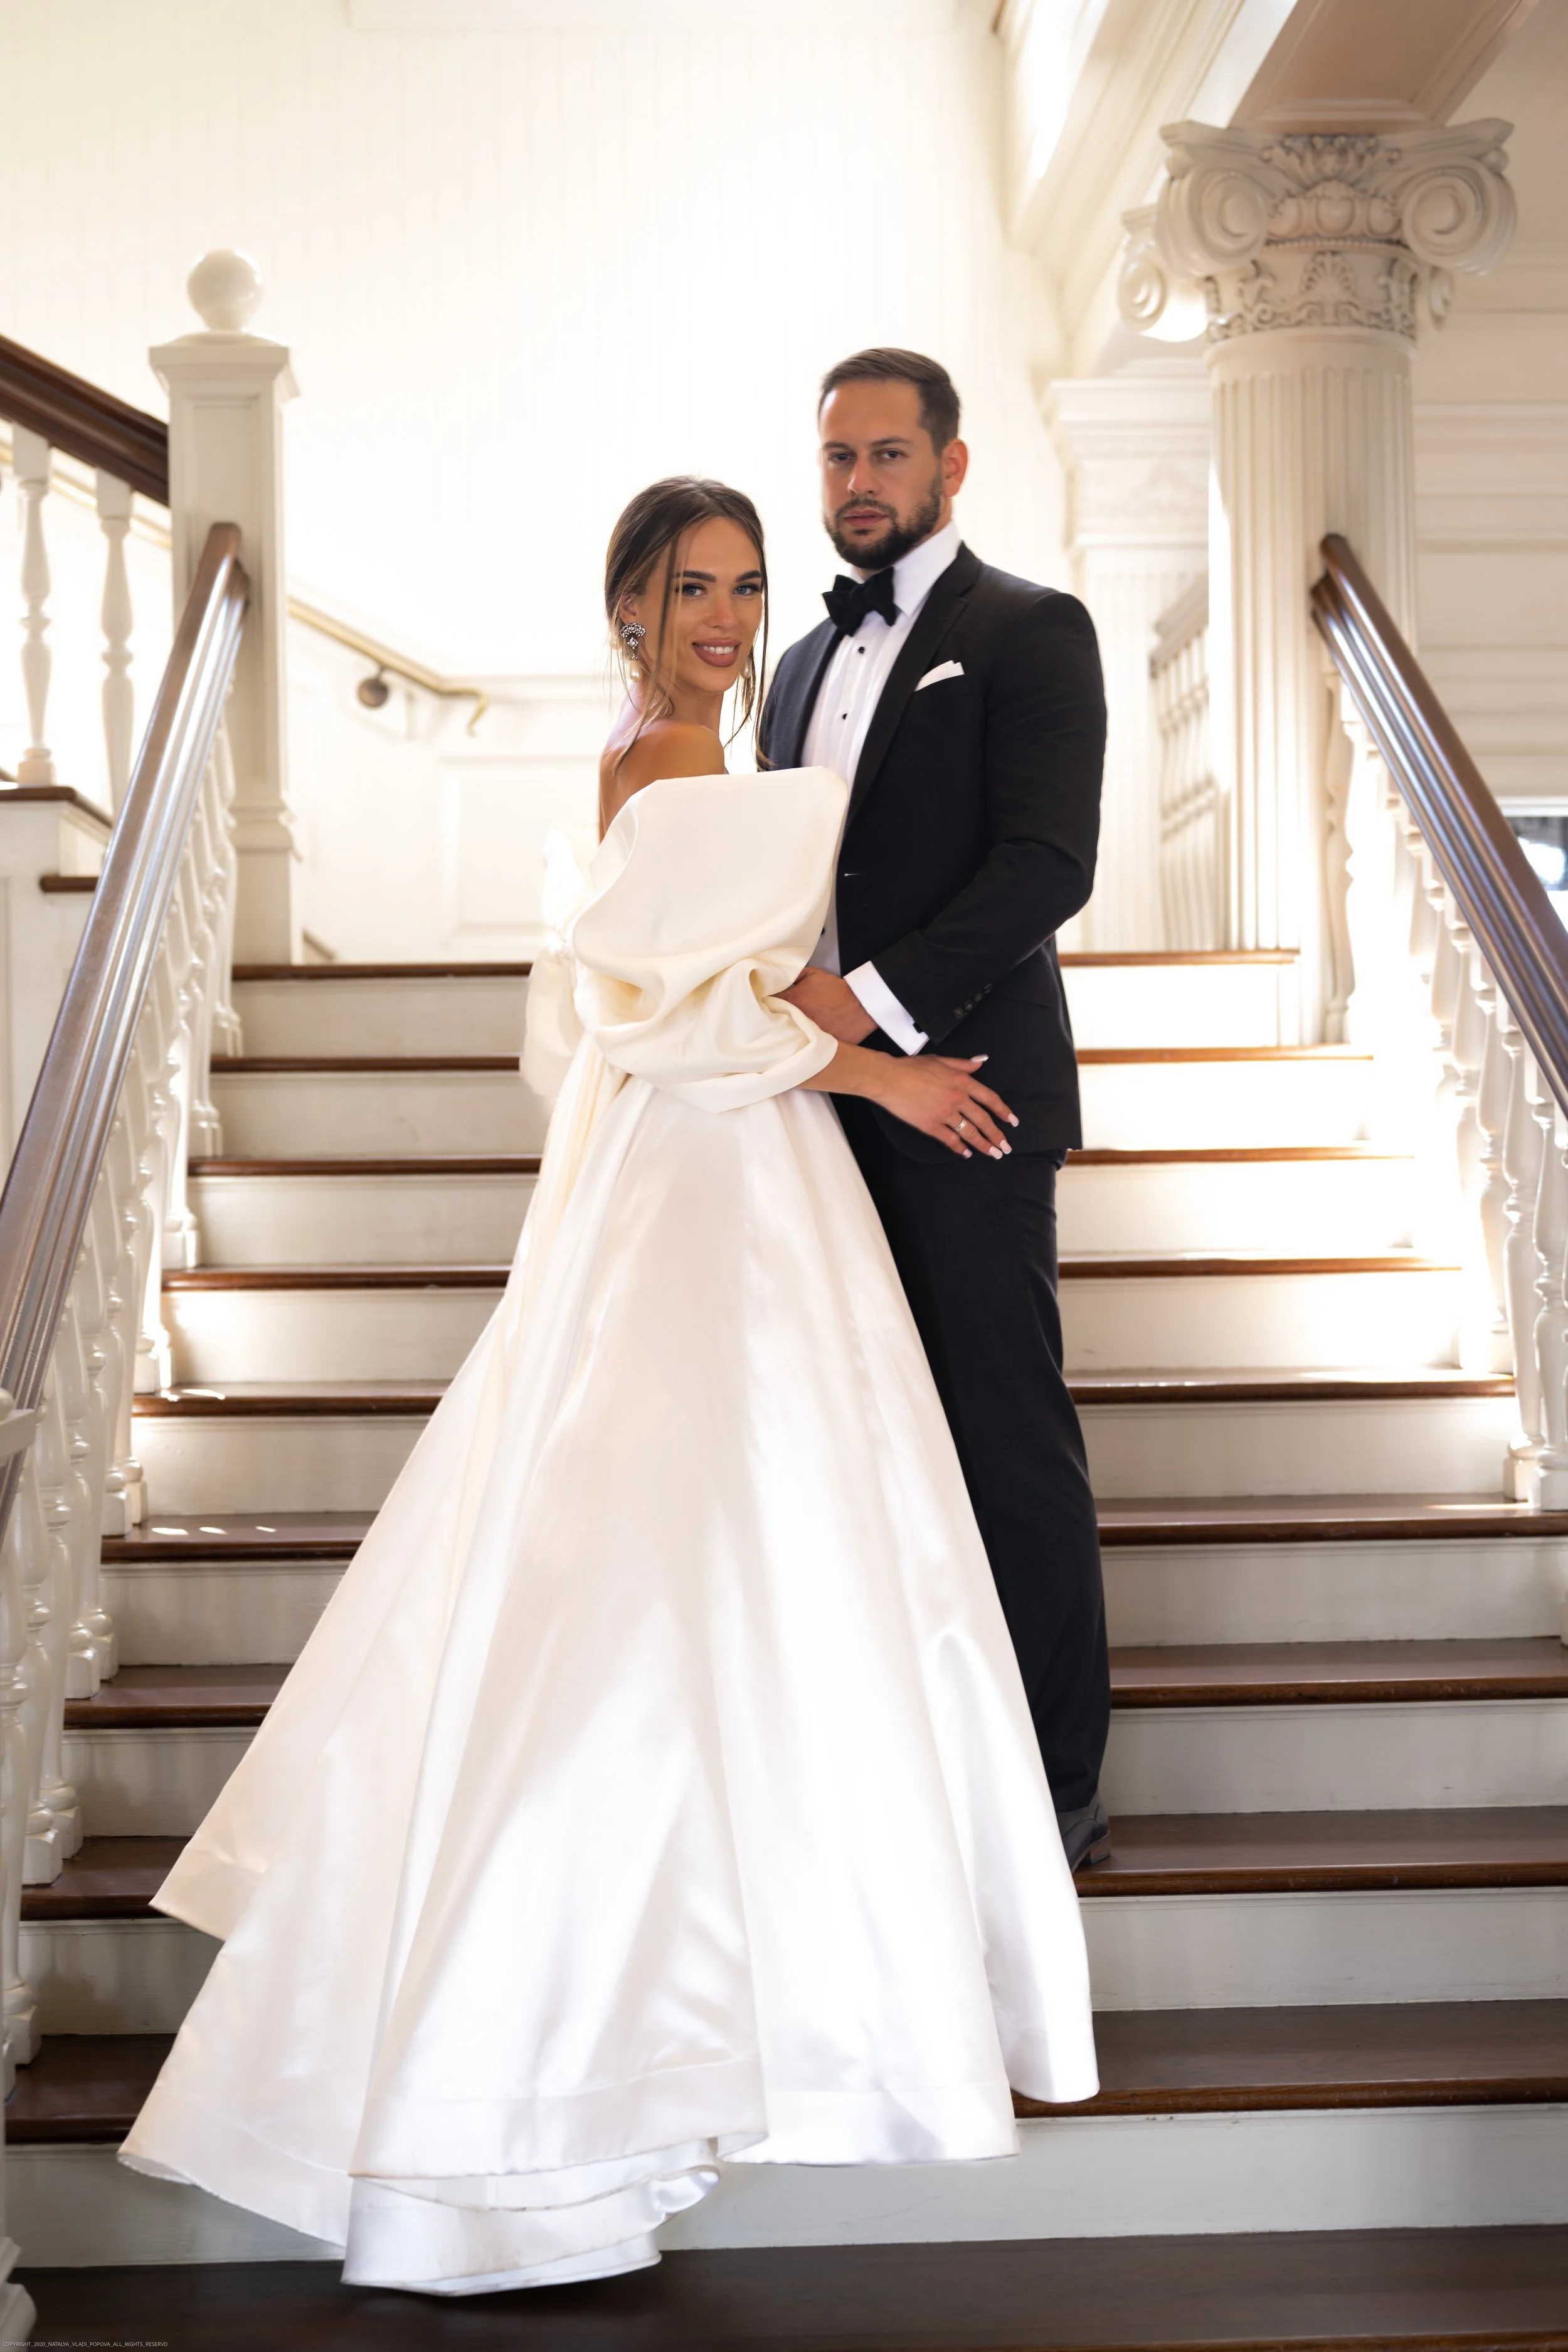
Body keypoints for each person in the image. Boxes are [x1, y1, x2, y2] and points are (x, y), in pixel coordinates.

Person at [117, 476, 1098, 2297]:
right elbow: (643, 1016)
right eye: (684, 587)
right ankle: (581, 2032)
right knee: (651, 1565)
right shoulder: (658, 770)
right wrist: (875, 1076)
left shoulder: (696, 757)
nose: (722, 614)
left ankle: (684, 2005)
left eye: (737, 583)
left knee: (746, 1552)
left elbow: (591, 1020)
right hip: (706, 1178)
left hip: (728, 1170)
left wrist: (786, 1034)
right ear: (627, 606)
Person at [760, 350, 1111, 1869]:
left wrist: (876, 1004)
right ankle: (887, 1771)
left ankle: (1053, 1785)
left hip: (962, 1093)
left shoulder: (1029, 631)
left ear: (950, 468)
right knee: (844, 1441)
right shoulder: (787, 669)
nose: (857, 484)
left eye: (886, 455)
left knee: (998, 1433)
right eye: (836, 458)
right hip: (811, 1105)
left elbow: (1046, 865)